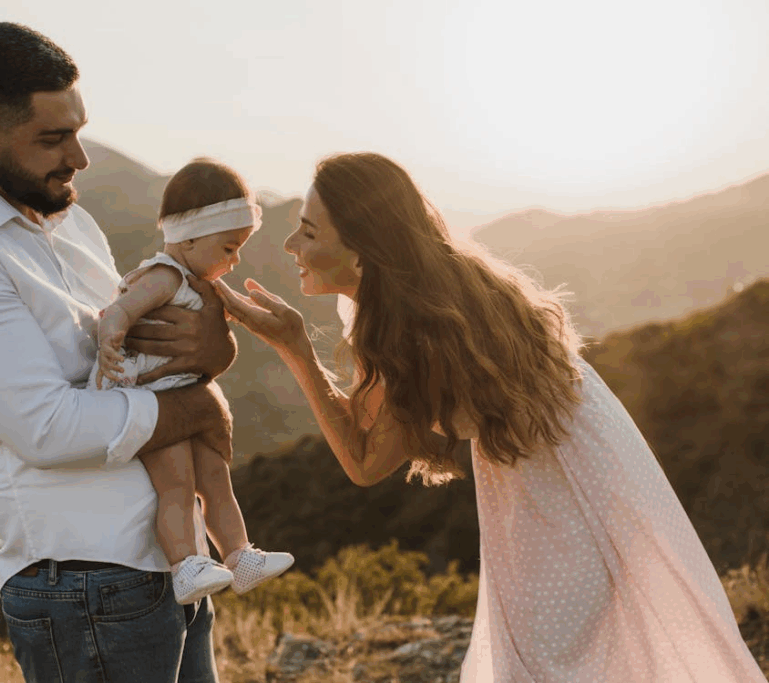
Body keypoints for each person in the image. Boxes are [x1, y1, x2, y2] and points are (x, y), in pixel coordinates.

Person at [215, 152, 767, 681]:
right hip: (564, 478)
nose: (290, 245)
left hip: (561, 498)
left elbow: (363, 461)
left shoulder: (413, 330)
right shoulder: (415, 296)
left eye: (308, 232)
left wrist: (295, 350)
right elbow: (366, 428)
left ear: (363, 253)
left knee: (555, 661)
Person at [0, 22, 233, 683]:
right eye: (53, 138)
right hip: (85, 584)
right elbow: (47, 429)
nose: (80, 157)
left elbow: (145, 356)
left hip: (168, 562)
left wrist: (214, 350)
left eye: (78, 130)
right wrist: (200, 402)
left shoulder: (70, 220)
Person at [87, 158, 294, 604]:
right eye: (229, 247)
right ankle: (185, 565)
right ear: (190, 236)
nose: (235, 260)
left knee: (217, 479)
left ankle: (239, 557)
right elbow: (118, 311)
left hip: (186, 398)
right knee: (177, 483)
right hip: (155, 402)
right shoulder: (164, 276)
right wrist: (109, 341)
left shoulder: (199, 281)